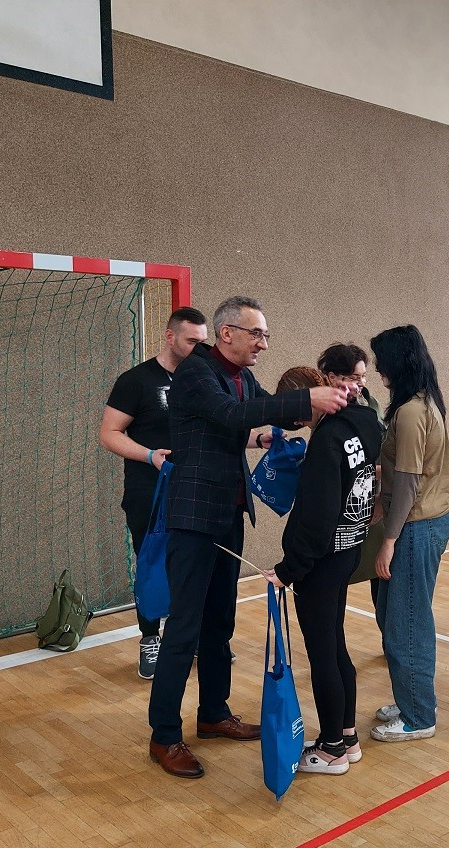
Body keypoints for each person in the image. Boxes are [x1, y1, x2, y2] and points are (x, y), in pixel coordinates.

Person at [147, 296, 349, 778]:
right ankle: (164, 735)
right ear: (227, 334)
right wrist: (306, 400)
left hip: (226, 516)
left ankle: (213, 713)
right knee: (185, 629)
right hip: (194, 520)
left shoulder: (240, 375)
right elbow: (231, 414)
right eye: (257, 334)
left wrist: (300, 417)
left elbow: (257, 414)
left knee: (220, 623)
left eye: (265, 336)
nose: (263, 344)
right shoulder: (196, 372)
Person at [264, 366, 382, 775]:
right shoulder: (359, 423)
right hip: (347, 550)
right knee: (334, 645)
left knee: (322, 654)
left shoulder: (327, 441)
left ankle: (331, 749)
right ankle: (346, 736)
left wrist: (288, 570)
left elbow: (316, 520)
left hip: (321, 561)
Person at [99, 307, 208, 679]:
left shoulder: (203, 380)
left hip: (194, 492)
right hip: (149, 492)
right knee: (151, 564)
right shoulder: (136, 380)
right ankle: (150, 638)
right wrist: (149, 456)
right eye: (191, 341)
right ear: (170, 336)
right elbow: (109, 434)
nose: (198, 349)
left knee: (190, 565)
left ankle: (188, 636)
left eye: (202, 342)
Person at [368, 325, 449, 742]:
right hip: (418, 523)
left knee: (408, 625)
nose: (378, 370)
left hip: (416, 528)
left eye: (381, 362)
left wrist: (388, 540)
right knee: (394, 616)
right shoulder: (419, 403)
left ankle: (419, 716)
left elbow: (407, 482)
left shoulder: (413, 412)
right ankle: (412, 699)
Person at [317, 343, 385, 598]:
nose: (360, 384)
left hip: (368, 504)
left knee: (379, 580)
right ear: (332, 377)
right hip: (338, 513)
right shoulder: (323, 408)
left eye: (363, 376)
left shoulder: (369, 404)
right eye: (354, 378)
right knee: (335, 587)